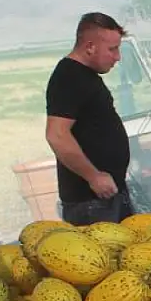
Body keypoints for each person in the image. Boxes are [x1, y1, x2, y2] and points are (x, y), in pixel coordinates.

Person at [44, 12, 134, 225]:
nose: (118, 57)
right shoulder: (69, 77)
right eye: (112, 49)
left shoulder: (85, 76)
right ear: (90, 47)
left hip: (107, 196)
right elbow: (56, 135)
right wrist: (93, 177)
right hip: (91, 203)